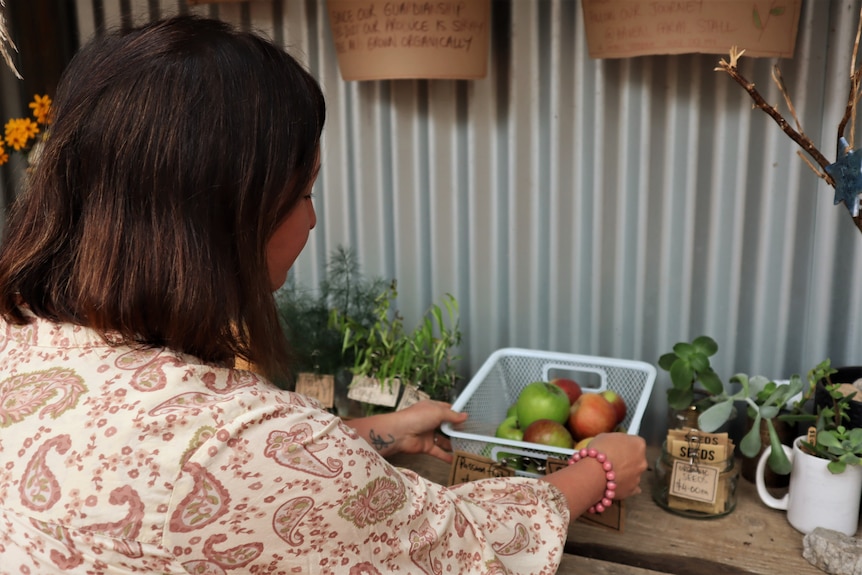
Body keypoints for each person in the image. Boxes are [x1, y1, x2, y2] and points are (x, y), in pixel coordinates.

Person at [0, 15, 647, 574]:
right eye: (305, 193)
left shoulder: (18, 336)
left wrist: (370, 432)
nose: (312, 221)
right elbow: (458, 547)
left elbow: (246, 493)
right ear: (225, 222)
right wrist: (596, 471)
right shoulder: (248, 440)